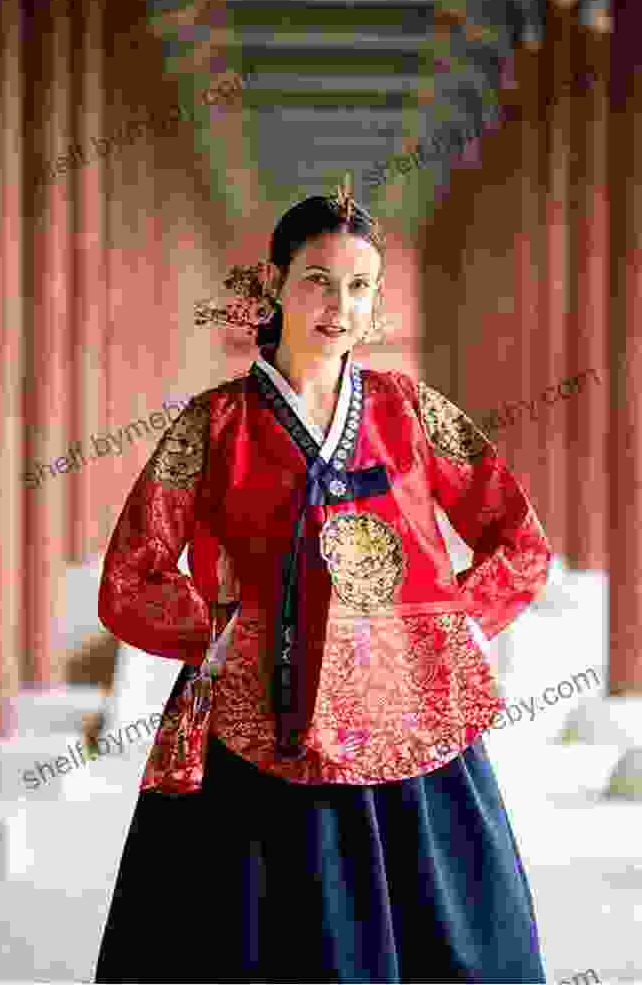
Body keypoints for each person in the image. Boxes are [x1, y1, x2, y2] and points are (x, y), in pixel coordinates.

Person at [93, 180, 551, 984]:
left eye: (360, 286)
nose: (340, 305)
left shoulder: (409, 410)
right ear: (275, 285)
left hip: (412, 714)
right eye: (318, 280)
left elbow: (519, 538)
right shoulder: (215, 423)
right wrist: (223, 634)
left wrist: (454, 627)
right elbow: (134, 573)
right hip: (256, 721)